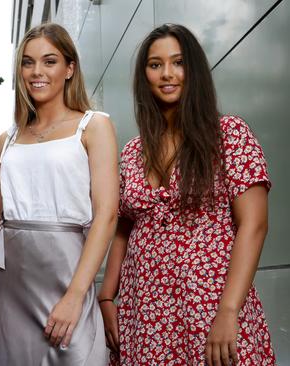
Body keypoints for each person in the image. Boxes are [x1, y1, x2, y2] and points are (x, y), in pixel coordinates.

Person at [98, 23, 276, 365]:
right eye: (155, 65)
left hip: (210, 301)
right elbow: (123, 226)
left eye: (178, 63)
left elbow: (254, 225)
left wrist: (229, 309)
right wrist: (107, 297)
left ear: (193, 69)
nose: (167, 74)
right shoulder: (134, 151)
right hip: (144, 311)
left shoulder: (229, 134)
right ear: (144, 76)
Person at [0, 23, 118, 365]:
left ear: (69, 69)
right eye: (27, 62)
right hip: (9, 290)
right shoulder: (5, 140)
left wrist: (76, 296)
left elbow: (107, 214)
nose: (36, 72)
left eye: (49, 61)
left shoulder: (94, 126)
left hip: (67, 277)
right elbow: (0, 225)